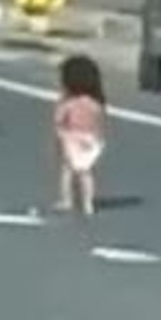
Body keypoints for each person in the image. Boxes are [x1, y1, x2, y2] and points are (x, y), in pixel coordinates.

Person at [53, 53, 107, 216]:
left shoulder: (69, 103)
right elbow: (99, 121)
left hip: (73, 138)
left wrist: (60, 133)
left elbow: (59, 119)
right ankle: (88, 202)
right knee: (86, 172)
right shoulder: (95, 104)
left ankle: (67, 200)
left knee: (68, 170)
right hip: (92, 141)